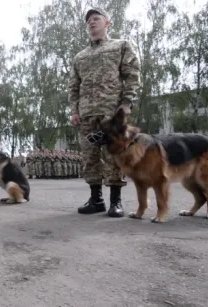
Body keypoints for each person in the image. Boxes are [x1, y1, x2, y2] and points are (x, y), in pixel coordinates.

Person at [68, 8, 141, 217]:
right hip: (87, 114)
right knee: (89, 157)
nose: (91, 22)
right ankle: (96, 199)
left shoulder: (120, 46)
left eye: (96, 19)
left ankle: (115, 202)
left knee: (114, 155)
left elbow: (132, 74)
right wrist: (74, 110)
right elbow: (73, 86)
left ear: (107, 23)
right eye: (89, 20)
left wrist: (127, 102)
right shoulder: (80, 56)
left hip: (112, 112)